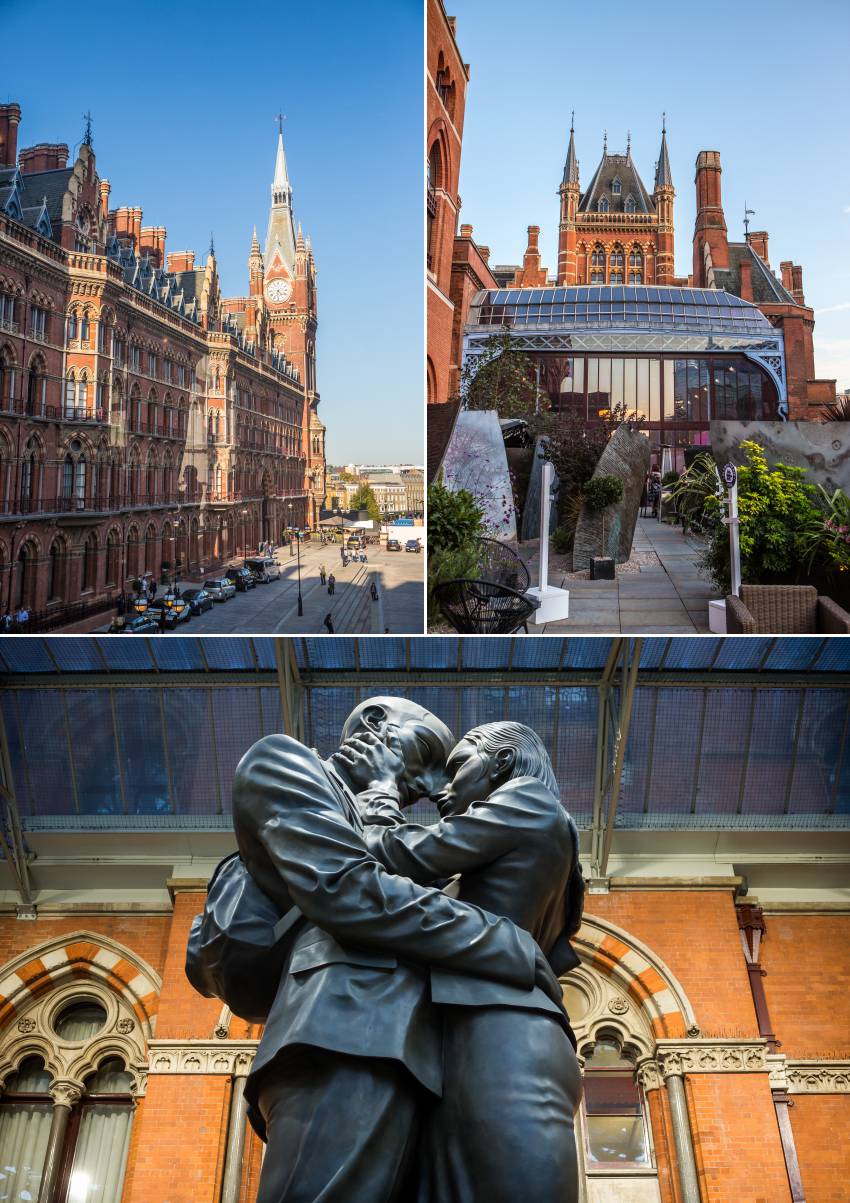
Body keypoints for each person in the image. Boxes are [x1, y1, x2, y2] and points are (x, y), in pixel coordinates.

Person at [228, 699, 562, 1203]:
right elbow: (349, 890)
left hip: (417, 1055)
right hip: (339, 1034)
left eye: (446, 767)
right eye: (427, 753)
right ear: (374, 726)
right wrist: (501, 937)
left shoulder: (521, 813)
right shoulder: (287, 763)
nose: (430, 786)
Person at [356, 721, 584, 1203]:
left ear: (501, 763)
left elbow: (398, 857)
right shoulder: (519, 856)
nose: (444, 788)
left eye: (459, 767)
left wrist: (379, 794)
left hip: (501, 1033)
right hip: (480, 1034)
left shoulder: (528, 798)